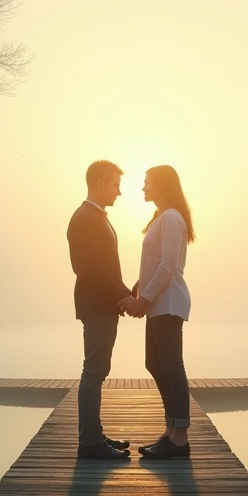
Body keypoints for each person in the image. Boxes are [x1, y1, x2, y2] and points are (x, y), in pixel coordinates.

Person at [120, 165, 195, 460]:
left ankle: (180, 438)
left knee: (172, 367)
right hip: (157, 303)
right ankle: (171, 431)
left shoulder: (172, 218)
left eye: (148, 183)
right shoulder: (161, 217)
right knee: (154, 363)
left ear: (162, 185)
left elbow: (168, 266)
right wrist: (140, 285)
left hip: (169, 303)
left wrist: (143, 300)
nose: (143, 187)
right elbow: (155, 263)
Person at [66, 160, 132, 460]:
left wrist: (123, 293)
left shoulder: (95, 217)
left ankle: (94, 434)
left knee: (98, 369)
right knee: (94, 371)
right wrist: (123, 295)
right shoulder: (85, 218)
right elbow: (91, 267)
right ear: (100, 184)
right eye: (116, 185)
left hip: (102, 304)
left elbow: (103, 266)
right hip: (96, 305)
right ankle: (90, 443)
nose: (119, 192)